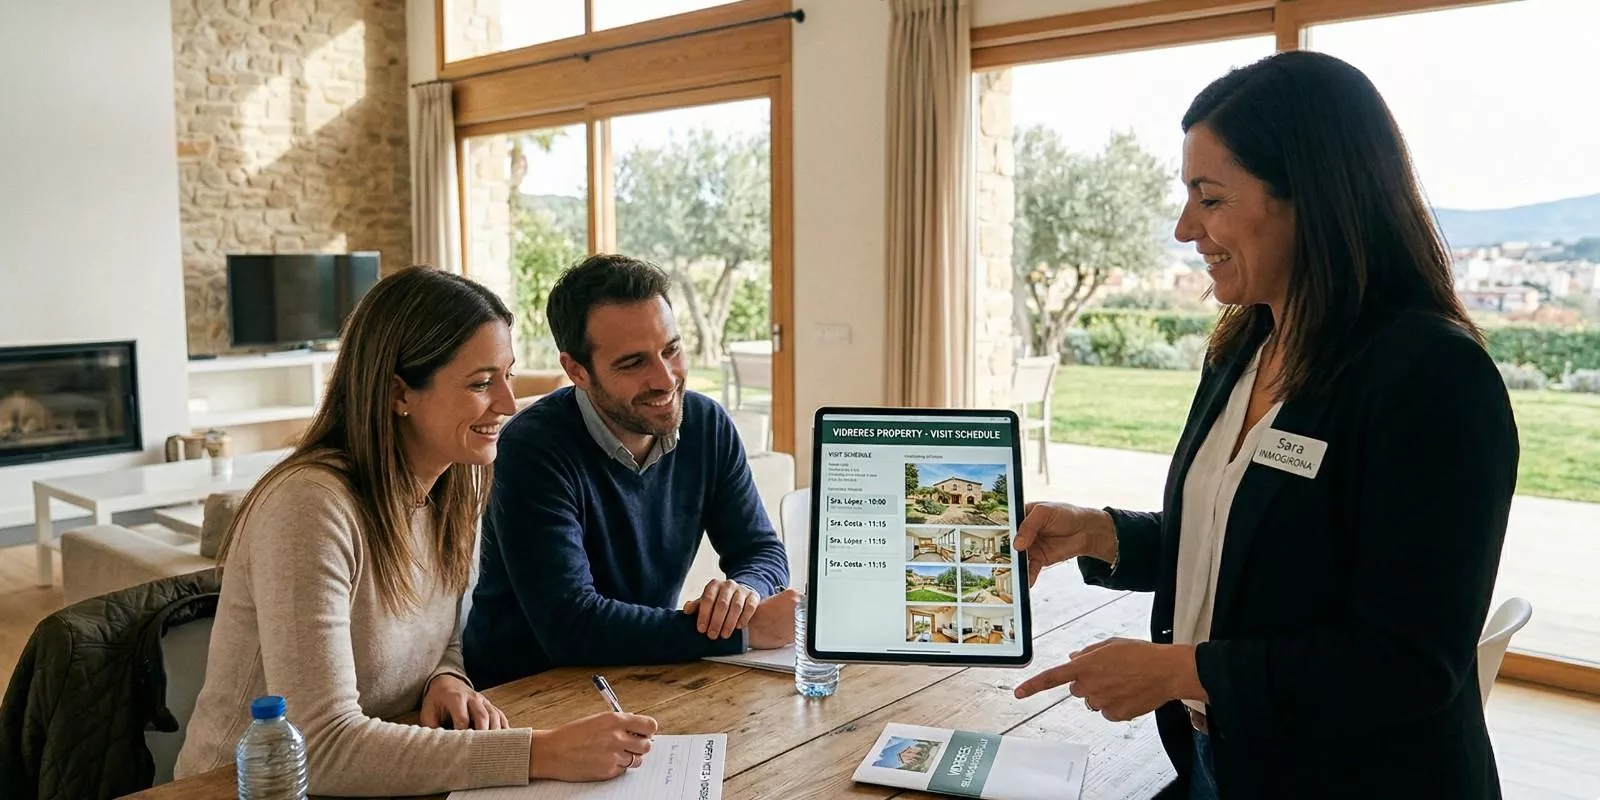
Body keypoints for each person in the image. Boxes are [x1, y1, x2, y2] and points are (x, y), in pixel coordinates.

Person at [1010, 51, 1519, 800]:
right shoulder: (1245, 343)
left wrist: (1183, 670)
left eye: (1209, 198)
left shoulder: (1431, 377)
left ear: (1311, 198)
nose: (1185, 228)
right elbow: (1248, 549)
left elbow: (1409, 661)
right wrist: (1103, 533)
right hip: (1223, 762)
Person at [175, 267, 658, 796]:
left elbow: (440, 637)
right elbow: (320, 744)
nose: (507, 403)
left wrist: (444, 677)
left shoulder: (448, 486)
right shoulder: (308, 507)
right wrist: (540, 751)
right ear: (398, 392)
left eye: (507, 375)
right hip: (244, 788)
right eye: (480, 383)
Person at [463, 254, 796, 689]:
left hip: (643, 674)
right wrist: (742, 632)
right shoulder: (531, 449)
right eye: (633, 363)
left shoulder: (707, 425)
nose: (665, 379)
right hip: (523, 695)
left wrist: (744, 594)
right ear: (576, 370)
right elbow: (573, 626)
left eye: (671, 350)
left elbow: (761, 551)